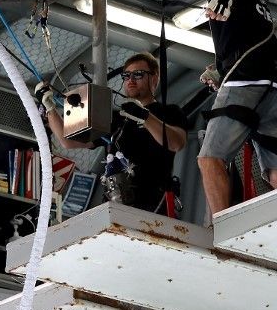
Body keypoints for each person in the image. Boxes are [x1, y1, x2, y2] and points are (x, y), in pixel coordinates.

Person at [180, 0, 277, 217]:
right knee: (276, 171)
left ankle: (223, 229)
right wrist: (220, 69)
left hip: (246, 81)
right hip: (272, 84)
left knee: (209, 159)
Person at [41, 52, 188, 213]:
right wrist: (50, 108)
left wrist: (145, 116)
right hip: (117, 202)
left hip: (154, 203)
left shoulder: (168, 112)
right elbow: (68, 141)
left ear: (154, 78)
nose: (131, 80)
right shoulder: (117, 119)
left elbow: (176, 143)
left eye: (138, 74)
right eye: (126, 75)